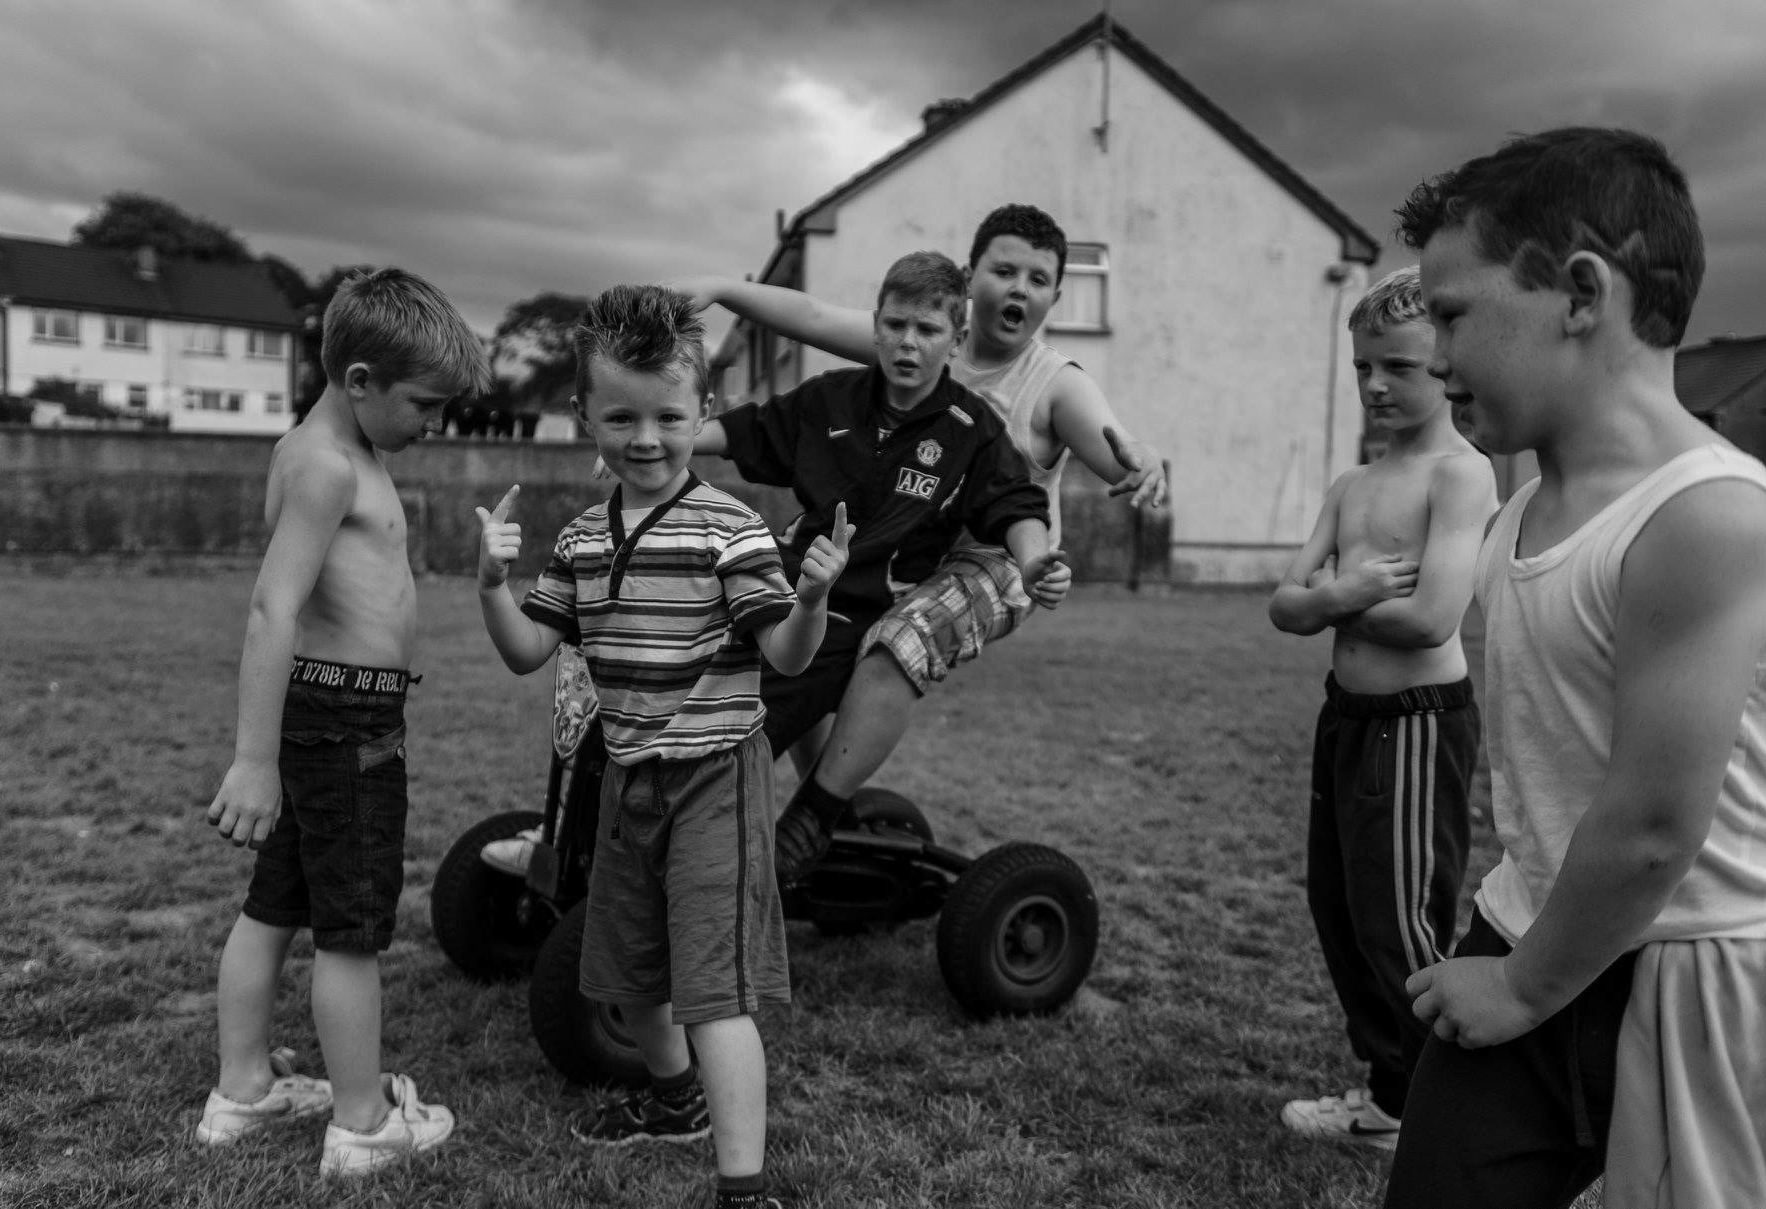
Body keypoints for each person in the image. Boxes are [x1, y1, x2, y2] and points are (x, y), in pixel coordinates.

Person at [1384, 127, 1766, 1209]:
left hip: (1687, 970)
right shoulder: (1520, 509)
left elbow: (1652, 825)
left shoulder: (1704, 514)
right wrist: (1517, 964)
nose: (1436, 357)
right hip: (1531, 925)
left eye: (1453, 315)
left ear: (1583, 294)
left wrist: (1520, 987)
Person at [475, 284, 850, 1209]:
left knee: (713, 992)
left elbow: (785, 656)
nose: (646, 438)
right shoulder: (579, 540)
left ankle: (743, 1189)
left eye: (669, 417)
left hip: (716, 779)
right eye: (622, 417)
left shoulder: (731, 528)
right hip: (628, 779)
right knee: (629, 974)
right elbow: (526, 652)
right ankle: (675, 1097)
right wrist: (491, 584)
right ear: (584, 416)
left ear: (703, 412)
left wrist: (809, 599)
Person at [674, 205, 1151, 877]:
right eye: (1004, 270)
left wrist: (1143, 461)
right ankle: (825, 800)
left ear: (1054, 296)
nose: (1018, 288)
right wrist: (723, 290)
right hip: (905, 541)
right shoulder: (913, 336)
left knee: (899, 640)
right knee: (806, 622)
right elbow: (808, 315)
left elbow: (1110, 444)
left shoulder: (1051, 383)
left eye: (1038, 279)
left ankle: (813, 817)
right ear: (971, 276)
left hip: (1001, 557)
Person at [196, 268, 490, 1177]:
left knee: (275, 904)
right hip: (345, 722)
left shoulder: (329, 450)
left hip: (326, 713)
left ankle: (244, 1088)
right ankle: (364, 1122)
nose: (435, 424)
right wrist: (253, 760)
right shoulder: (327, 466)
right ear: (360, 380)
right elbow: (271, 608)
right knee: (352, 927)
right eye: (425, 404)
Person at [1265, 266, 1496, 1150]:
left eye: (1397, 365)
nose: (1374, 384)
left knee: (1402, 922)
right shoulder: (1351, 484)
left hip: (1415, 723)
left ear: (1447, 358)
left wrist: (1328, 600)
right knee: (1341, 910)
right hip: (1347, 721)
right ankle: (1392, 1099)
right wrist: (1345, 594)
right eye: (1363, 365)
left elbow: (1431, 617)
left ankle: (1448, 1112)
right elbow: (1283, 606)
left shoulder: (1461, 474)